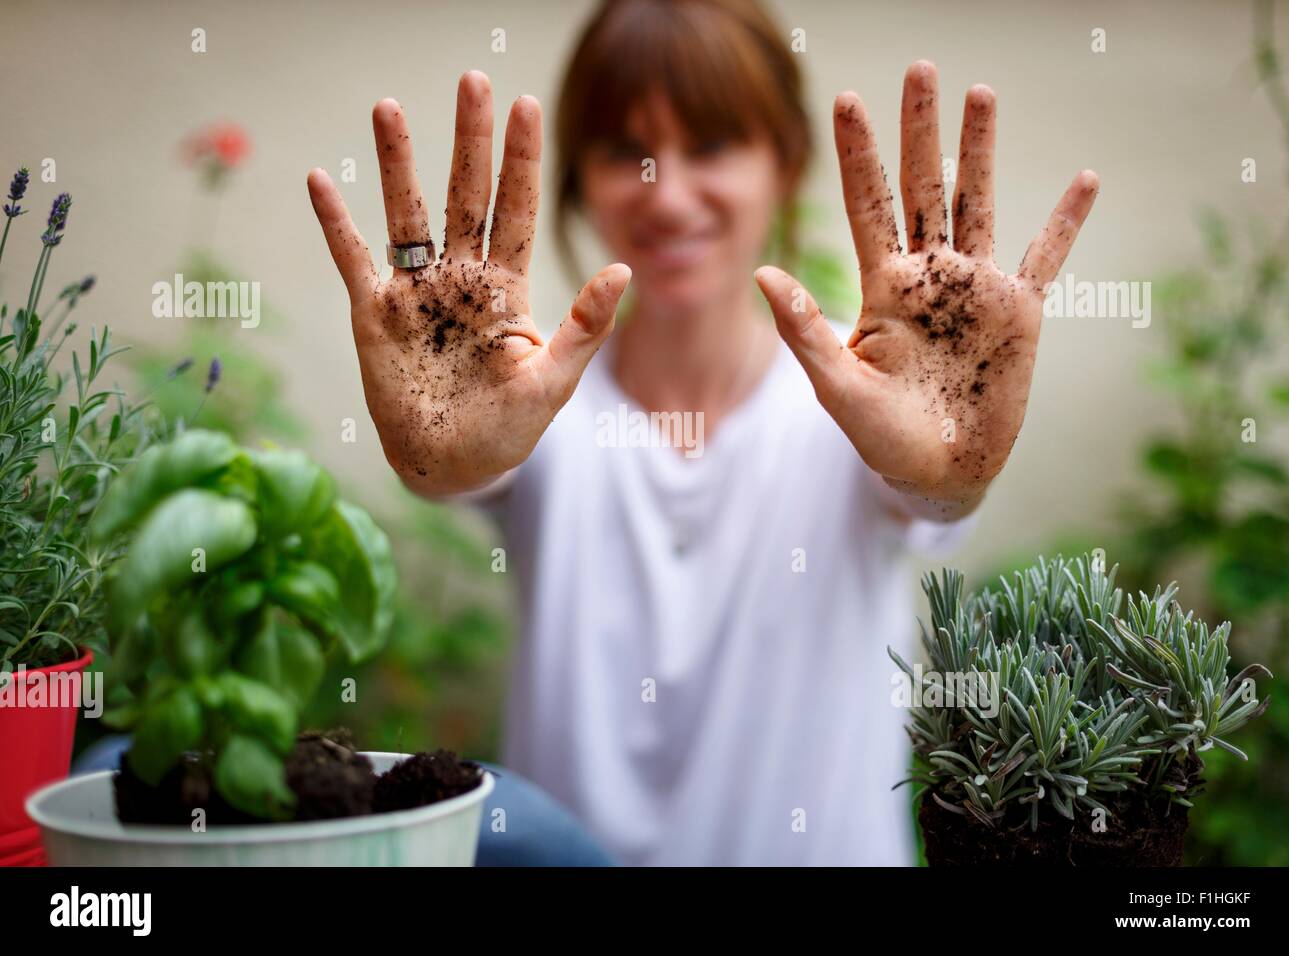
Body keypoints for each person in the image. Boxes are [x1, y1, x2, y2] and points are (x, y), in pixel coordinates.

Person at [306, 0, 1097, 865]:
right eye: (624, 151)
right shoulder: (536, 403)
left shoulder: (864, 395)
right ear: (578, 185)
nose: (668, 192)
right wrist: (435, 455)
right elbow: (464, 464)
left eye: (713, 144)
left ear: (787, 163)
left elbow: (930, 491)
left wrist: (951, 470)